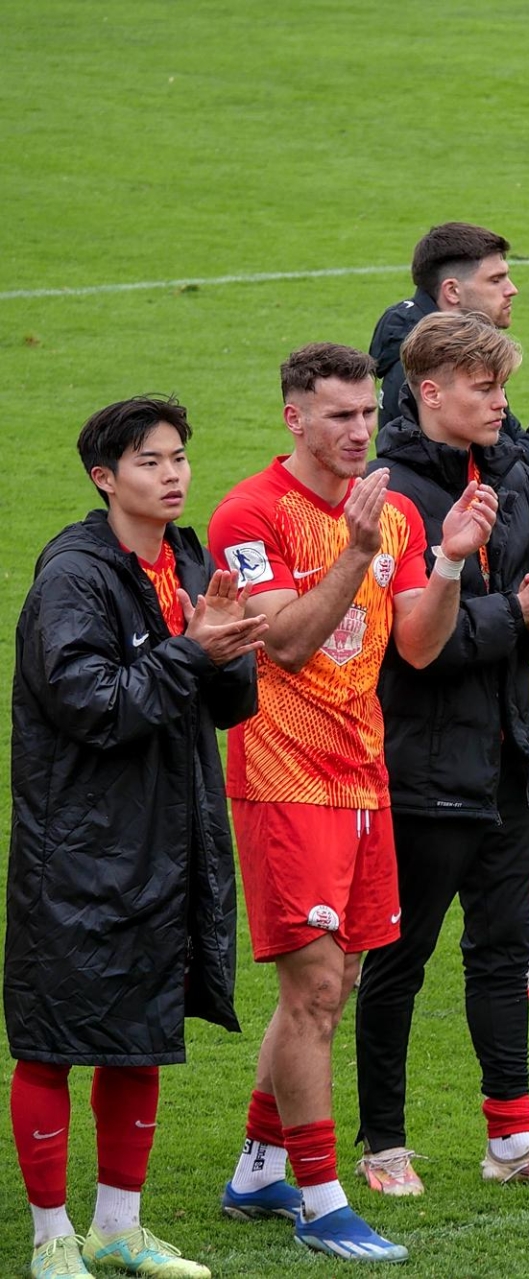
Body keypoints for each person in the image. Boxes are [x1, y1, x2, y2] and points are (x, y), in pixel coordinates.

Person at [209, 343, 497, 1263]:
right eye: (337, 415)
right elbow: (284, 644)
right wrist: (359, 550)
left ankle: (259, 1168)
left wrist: (447, 563)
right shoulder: (249, 514)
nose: (358, 431)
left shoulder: (400, 512)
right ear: (293, 417)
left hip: (364, 777)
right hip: (282, 776)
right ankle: (323, 1197)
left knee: (329, 990)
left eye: (367, 414)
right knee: (317, 987)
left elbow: (415, 643)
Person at [353, 312, 529, 1198]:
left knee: (503, 955)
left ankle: (512, 1140)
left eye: (504, 387)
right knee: (400, 958)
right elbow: (407, 641)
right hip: (421, 769)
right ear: (429, 392)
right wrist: (517, 612)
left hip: (509, 761)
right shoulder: (387, 497)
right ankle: (382, 1144)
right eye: (484, 388)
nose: (504, 403)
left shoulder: (510, 477)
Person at [8, 398, 265, 1279]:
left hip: (168, 839)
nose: (175, 474)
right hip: (76, 850)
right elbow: (93, 705)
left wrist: (230, 650)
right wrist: (196, 651)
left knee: (141, 1031)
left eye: (181, 457)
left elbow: (229, 707)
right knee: (52, 1040)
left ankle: (118, 1226)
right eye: (151, 461)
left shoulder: (189, 559)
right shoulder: (73, 579)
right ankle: (50, 1239)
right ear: (104, 477)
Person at [369, 221, 529, 1004]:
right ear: (452, 295)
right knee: (399, 954)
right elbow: (424, 635)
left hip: (496, 714)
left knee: (497, 903)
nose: (512, 289)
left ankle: (515, 1113)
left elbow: (513, 479)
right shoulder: (412, 439)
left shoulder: (466, 394)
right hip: (429, 739)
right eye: (497, 278)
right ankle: (352, 1125)